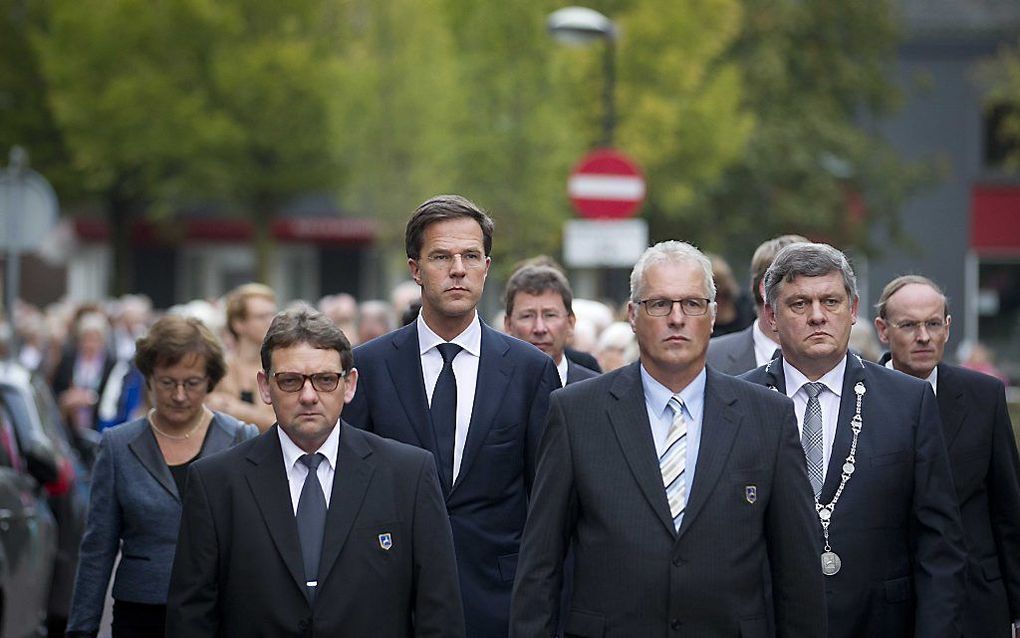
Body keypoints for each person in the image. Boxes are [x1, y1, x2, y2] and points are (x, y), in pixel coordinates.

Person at [510, 241, 825, 637]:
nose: (677, 318)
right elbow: (540, 565)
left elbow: (797, 574)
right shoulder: (576, 413)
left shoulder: (768, 416)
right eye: (659, 304)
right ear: (632, 315)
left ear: (712, 315)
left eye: (692, 304)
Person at [166, 307, 464, 637]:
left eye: (325, 380)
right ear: (265, 387)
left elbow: (439, 610)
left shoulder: (407, 474)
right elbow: (191, 615)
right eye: (291, 381)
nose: (308, 396)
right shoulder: (216, 483)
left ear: (349, 385)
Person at [344, 195, 560, 637]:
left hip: (499, 605)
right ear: (415, 268)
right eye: (441, 256)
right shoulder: (369, 367)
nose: (457, 268)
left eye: (470, 256)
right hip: (390, 602)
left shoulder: (529, 371)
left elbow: (549, 506)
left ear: (486, 266)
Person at [741, 243, 966, 637]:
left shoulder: (908, 402)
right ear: (772, 316)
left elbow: (940, 543)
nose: (817, 316)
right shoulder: (738, 403)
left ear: (853, 309)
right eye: (798, 304)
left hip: (881, 622)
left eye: (831, 301)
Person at [66, 315, 258, 638]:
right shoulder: (118, 445)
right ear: (149, 379)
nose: (179, 395)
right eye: (168, 382)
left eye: (192, 383)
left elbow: (255, 540)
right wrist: (81, 629)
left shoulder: (239, 438)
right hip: (141, 612)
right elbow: (98, 545)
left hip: (218, 611)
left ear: (210, 381)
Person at [876, 275, 1020, 636]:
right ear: (883, 330)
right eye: (909, 325)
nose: (923, 336)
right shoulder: (858, 396)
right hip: (885, 605)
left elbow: (1008, 511)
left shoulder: (983, 395)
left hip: (977, 604)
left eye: (933, 323)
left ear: (948, 328)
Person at [708, 235, 808, 375]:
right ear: (764, 288)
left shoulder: (844, 360)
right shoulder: (710, 358)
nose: (818, 313)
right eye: (801, 300)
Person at [503, 265, 598, 387]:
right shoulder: (490, 387)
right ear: (508, 325)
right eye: (527, 316)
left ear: (570, 323)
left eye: (550, 315)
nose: (540, 328)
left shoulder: (596, 390)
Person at [205, 283, 278, 431]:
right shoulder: (219, 368)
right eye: (261, 316)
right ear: (238, 324)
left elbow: (280, 423)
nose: (271, 322)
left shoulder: (279, 366)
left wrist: (235, 409)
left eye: (272, 315)